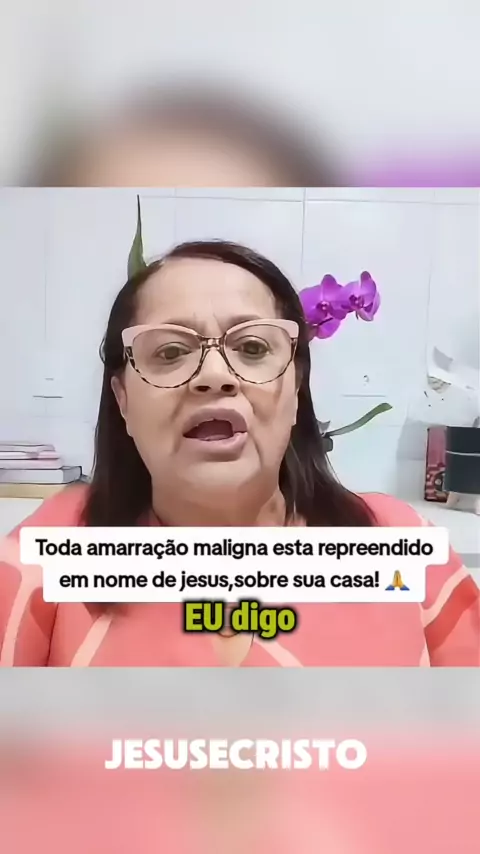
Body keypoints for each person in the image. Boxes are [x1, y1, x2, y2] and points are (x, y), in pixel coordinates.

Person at [0, 240, 478, 666]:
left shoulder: (400, 543)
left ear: (297, 388)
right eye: (170, 352)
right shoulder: (45, 552)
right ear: (123, 400)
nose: (214, 375)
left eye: (252, 347)